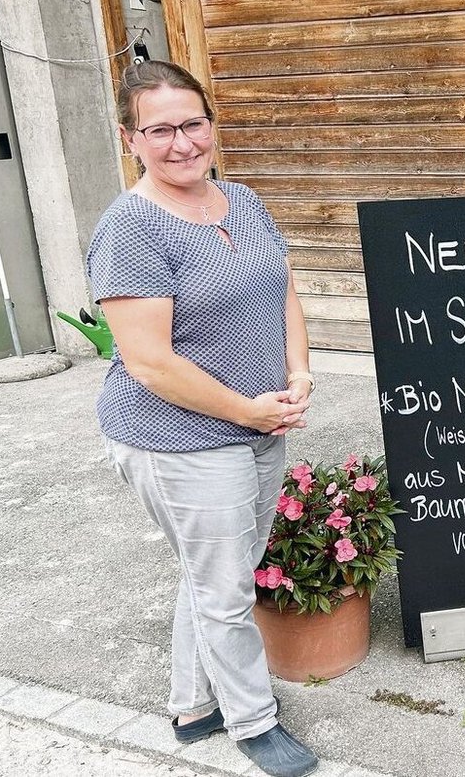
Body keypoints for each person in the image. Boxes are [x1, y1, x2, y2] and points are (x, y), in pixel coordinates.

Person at [88, 60, 319, 777]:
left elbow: (280, 290)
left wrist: (298, 371)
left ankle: (191, 706)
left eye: (193, 123)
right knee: (225, 588)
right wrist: (246, 409)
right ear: (131, 138)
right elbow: (151, 362)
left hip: (259, 423)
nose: (183, 142)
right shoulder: (130, 228)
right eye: (160, 129)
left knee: (217, 570)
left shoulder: (242, 200)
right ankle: (254, 723)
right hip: (179, 436)